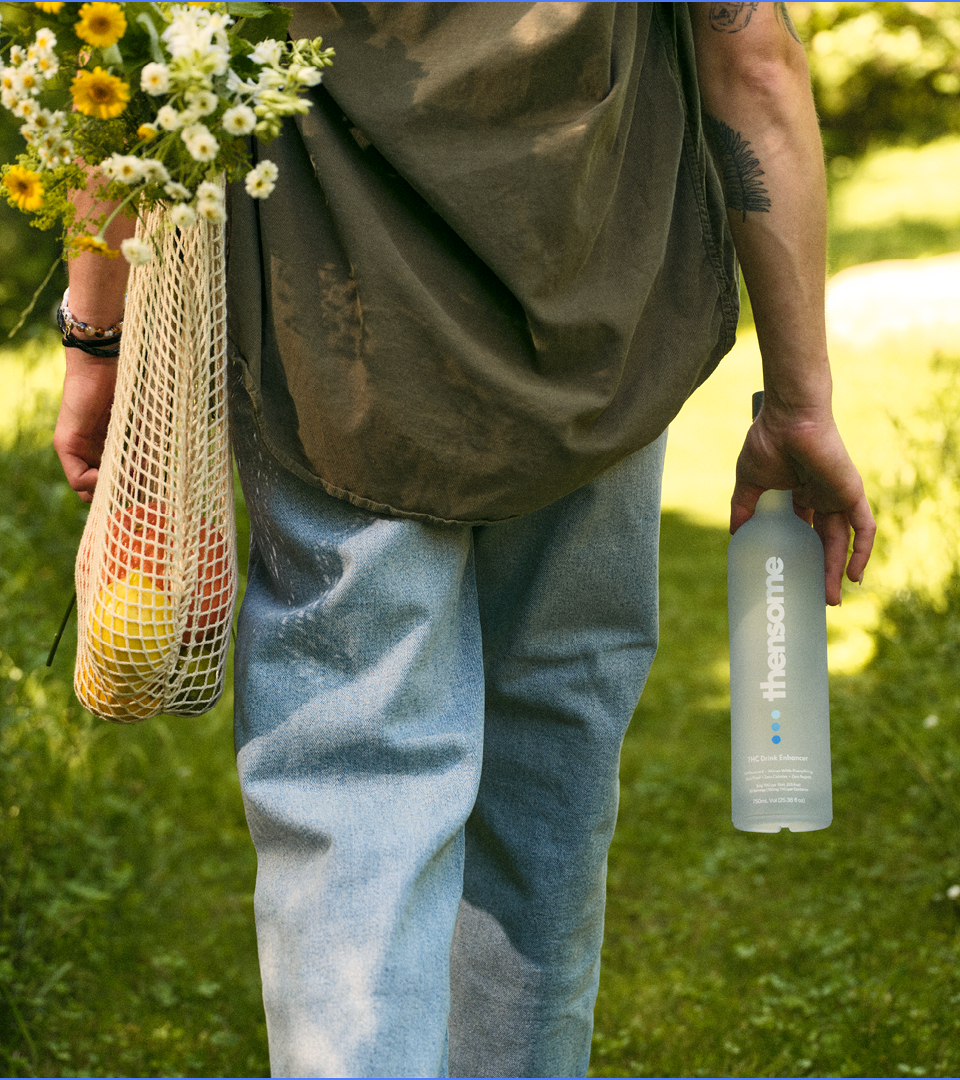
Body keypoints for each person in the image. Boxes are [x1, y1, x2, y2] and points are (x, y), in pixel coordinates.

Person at [54, 3, 875, 1077]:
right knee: (553, 782)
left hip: (334, 345)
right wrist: (801, 403)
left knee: (355, 795)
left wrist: (98, 329)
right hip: (601, 343)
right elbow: (753, 63)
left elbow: (123, 52)